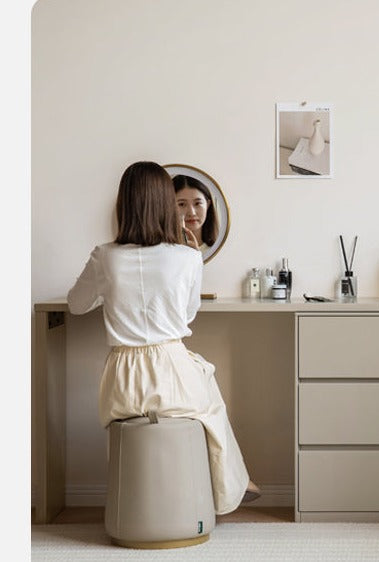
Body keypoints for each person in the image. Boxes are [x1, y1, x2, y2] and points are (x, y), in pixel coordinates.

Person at [67, 161, 260, 515]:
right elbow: (186, 317)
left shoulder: (105, 256)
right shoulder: (188, 257)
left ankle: (230, 484)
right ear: (165, 204)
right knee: (208, 390)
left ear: (123, 204)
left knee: (204, 376)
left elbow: (76, 305)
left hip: (122, 382)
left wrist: (108, 294)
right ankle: (229, 487)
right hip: (172, 374)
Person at [173, 174, 219, 255]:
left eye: (197, 203)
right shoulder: (162, 251)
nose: (192, 213)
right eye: (182, 204)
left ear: (208, 204)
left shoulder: (219, 250)